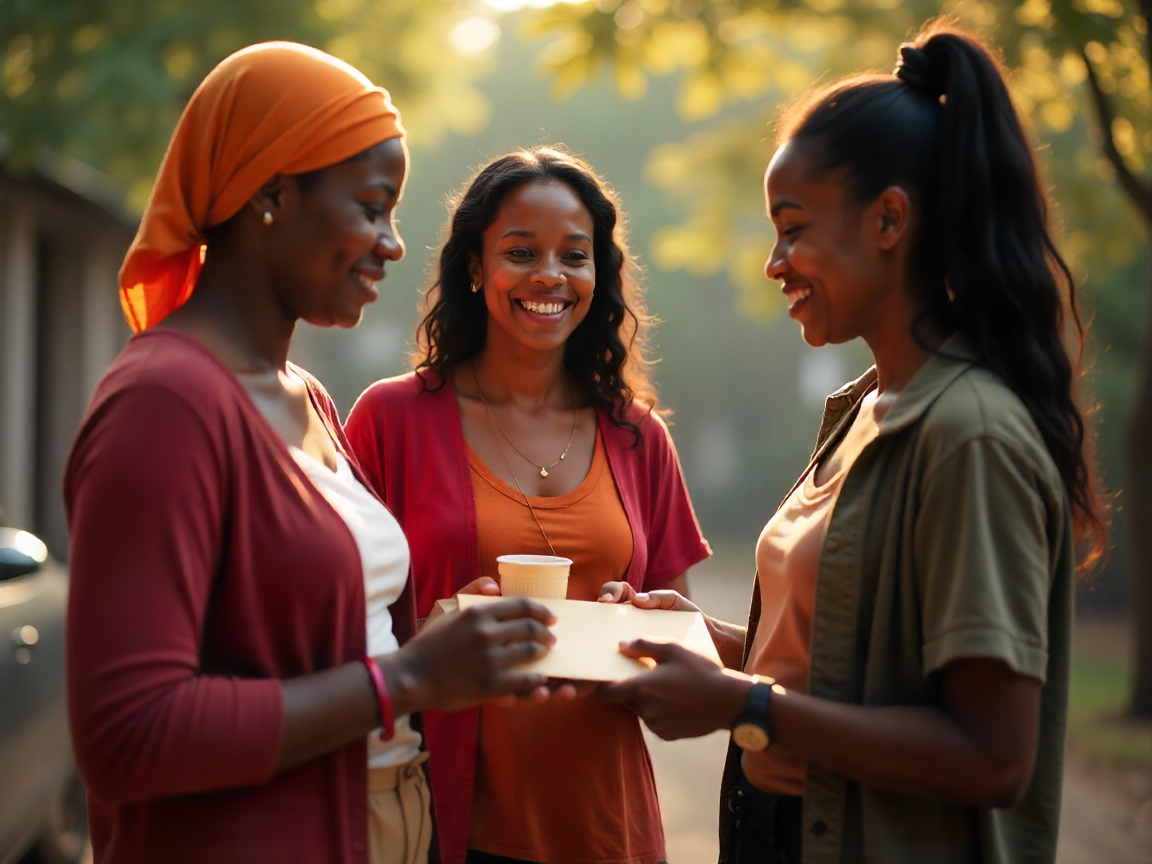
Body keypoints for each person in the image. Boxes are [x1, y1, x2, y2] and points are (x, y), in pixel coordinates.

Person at [596, 21, 1107, 864]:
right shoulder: (867, 407)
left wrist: (741, 706)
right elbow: (844, 659)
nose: (774, 262)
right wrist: (705, 642)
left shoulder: (969, 435)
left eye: (793, 227)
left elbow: (992, 755)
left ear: (889, 220)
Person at [64, 43, 560, 864]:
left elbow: (311, 630)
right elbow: (126, 735)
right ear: (270, 194)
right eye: (372, 207)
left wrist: (443, 642)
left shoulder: (307, 399)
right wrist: (403, 682)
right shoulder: (164, 405)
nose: (393, 244)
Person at [344, 147, 712, 864]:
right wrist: (444, 634)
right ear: (476, 268)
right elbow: (342, 637)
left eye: (574, 255)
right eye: (520, 251)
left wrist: (636, 641)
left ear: (597, 274)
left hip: (609, 828)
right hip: (444, 826)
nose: (550, 275)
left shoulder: (638, 435)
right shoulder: (390, 420)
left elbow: (681, 642)